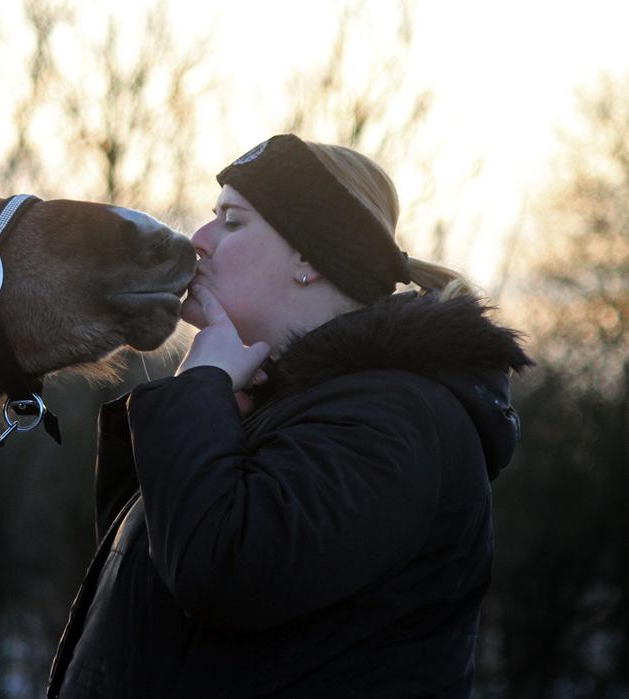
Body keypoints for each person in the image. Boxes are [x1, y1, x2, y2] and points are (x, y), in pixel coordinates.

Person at [47, 133, 532, 697]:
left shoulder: (396, 420)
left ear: (309, 258)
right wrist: (208, 410)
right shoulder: (273, 408)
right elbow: (151, 598)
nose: (199, 241)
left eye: (231, 220)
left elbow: (222, 574)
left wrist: (198, 393)